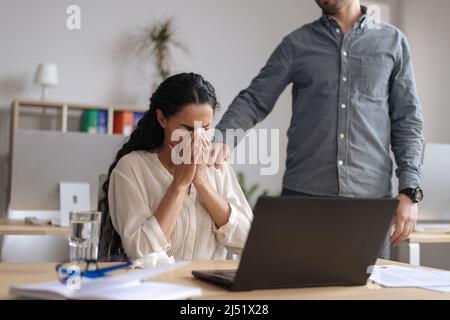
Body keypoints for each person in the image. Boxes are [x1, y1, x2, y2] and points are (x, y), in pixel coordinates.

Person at [210, 0, 424, 259]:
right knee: (299, 294)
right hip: (304, 200)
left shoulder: (392, 42)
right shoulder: (296, 44)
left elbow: (407, 120)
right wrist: (221, 139)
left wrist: (409, 190)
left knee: (366, 295)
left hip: (370, 205)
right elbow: (255, 99)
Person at [98, 73, 253, 261]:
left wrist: (202, 184)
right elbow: (142, 252)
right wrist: (179, 185)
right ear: (162, 119)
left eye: (205, 128)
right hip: (156, 286)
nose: (198, 139)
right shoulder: (131, 169)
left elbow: (249, 242)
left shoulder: (216, 166)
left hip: (209, 288)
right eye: (187, 129)